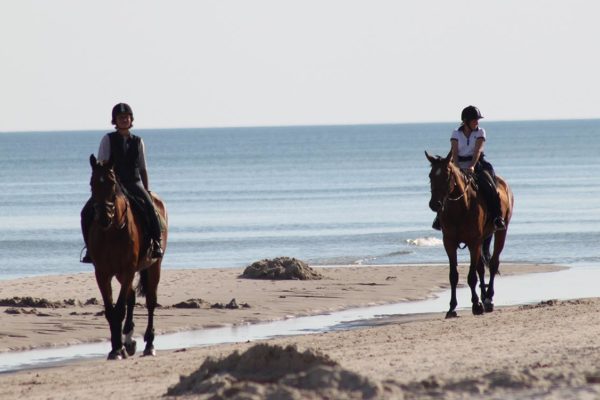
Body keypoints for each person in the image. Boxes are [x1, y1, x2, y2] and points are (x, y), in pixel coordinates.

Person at [80, 103, 164, 263]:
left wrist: (146, 190)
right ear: (115, 121)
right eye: (120, 118)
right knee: (86, 212)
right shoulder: (107, 139)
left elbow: (143, 168)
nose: (124, 120)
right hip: (114, 184)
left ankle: (156, 243)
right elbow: (102, 163)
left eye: (126, 117)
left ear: (131, 119)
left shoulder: (138, 141)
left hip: (134, 182)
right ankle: (89, 249)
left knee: (150, 208)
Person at [432, 105, 506, 231]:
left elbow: (477, 151)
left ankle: (497, 217)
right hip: (458, 164)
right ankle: (439, 217)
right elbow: (454, 153)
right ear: (466, 121)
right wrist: (456, 168)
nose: (477, 122)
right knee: (444, 185)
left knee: (490, 186)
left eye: (477, 120)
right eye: (474, 120)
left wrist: (471, 166)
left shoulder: (480, 132)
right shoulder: (456, 133)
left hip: (477, 163)